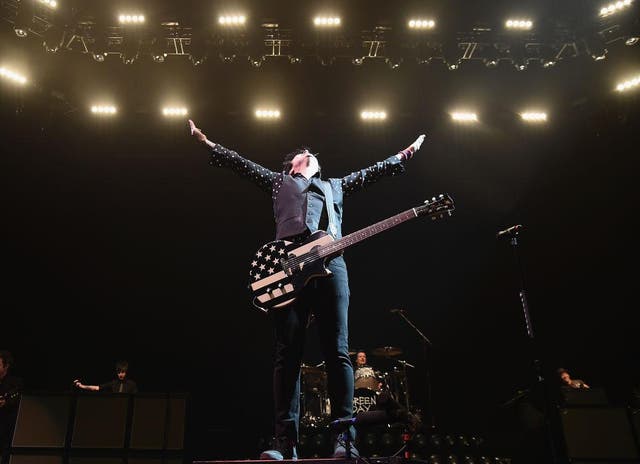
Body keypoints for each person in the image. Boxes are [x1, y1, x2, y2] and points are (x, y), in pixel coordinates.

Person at [188, 119, 425, 460]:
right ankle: (286, 443)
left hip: (331, 265)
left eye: (312, 154)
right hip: (288, 271)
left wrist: (405, 154)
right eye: (303, 154)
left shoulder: (335, 185)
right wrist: (207, 142)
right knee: (288, 356)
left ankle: (345, 438)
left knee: (338, 351)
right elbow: (241, 163)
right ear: (293, 165)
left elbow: (373, 171)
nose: (309, 154)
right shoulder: (279, 182)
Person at [0, 351, 22, 463]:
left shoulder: (14, 383)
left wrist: (6, 402)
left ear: (6, 366)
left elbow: (17, 399)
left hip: (6, 431)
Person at [73, 360, 138, 393]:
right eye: (118, 372)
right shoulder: (113, 383)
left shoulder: (132, 384)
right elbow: (97, 388)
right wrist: (82, 386)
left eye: (122, 372)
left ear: (126, 372)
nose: (120, 374)